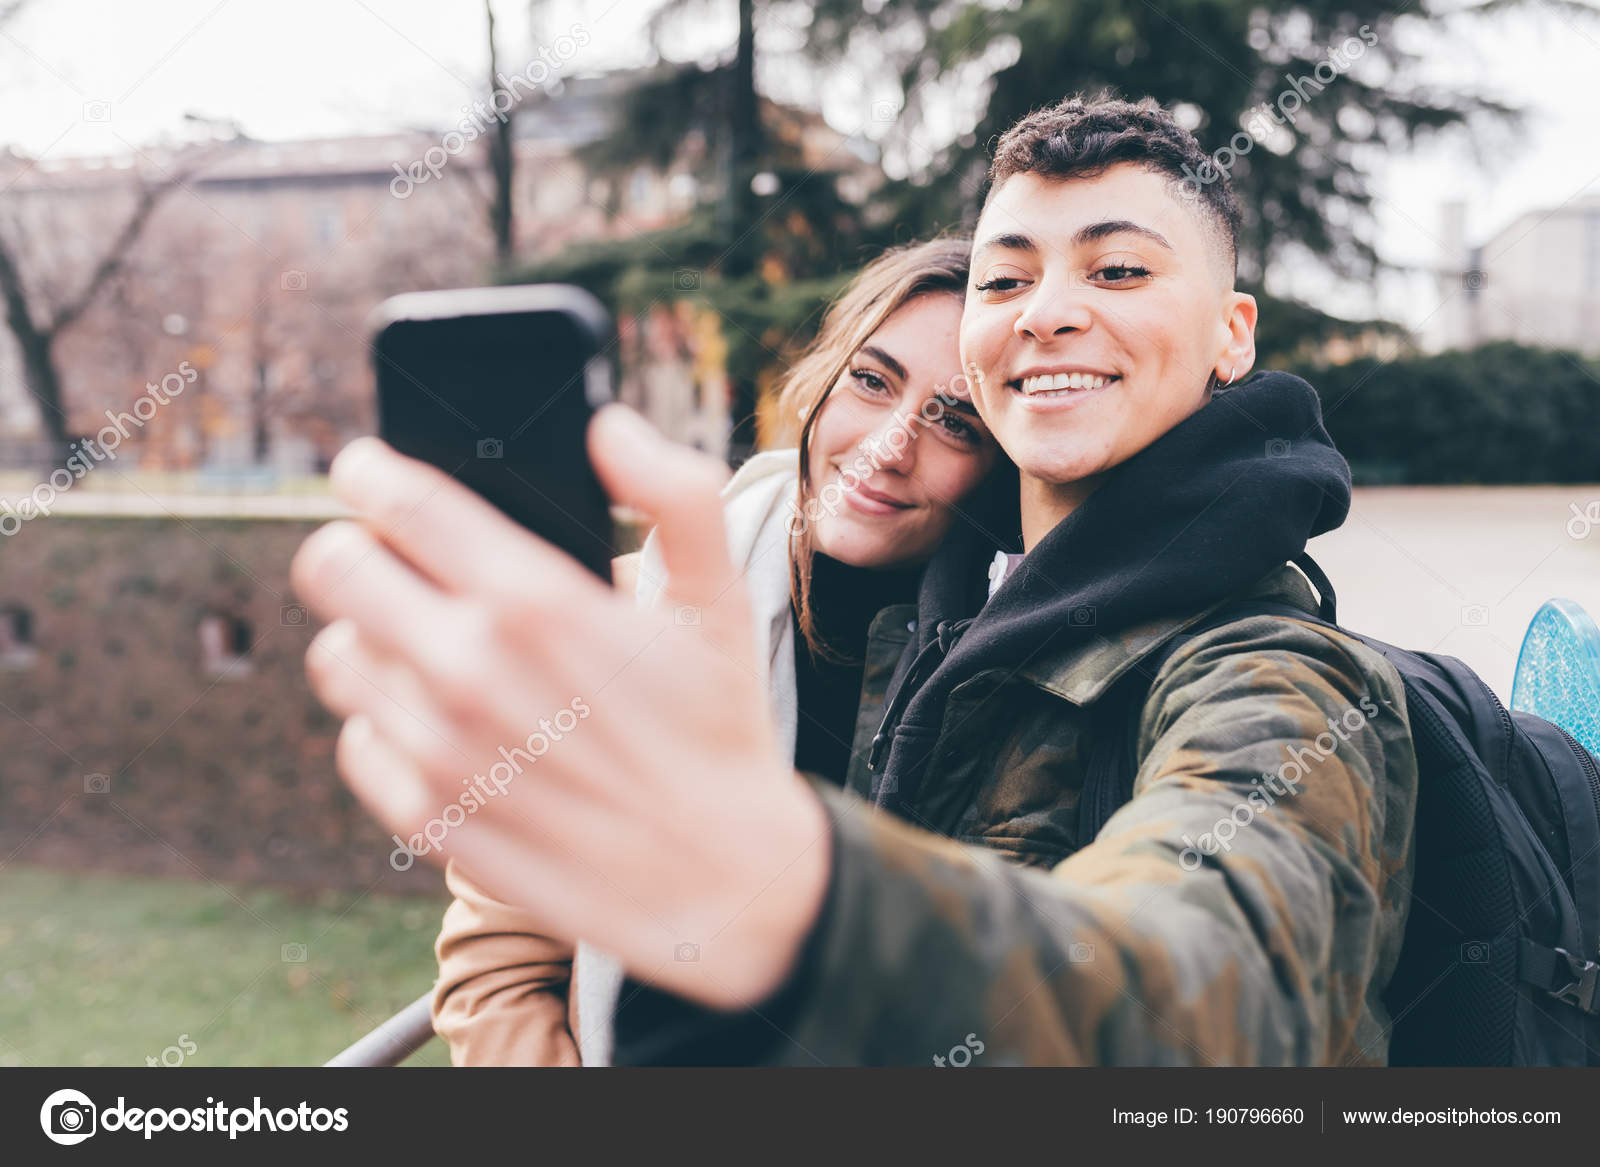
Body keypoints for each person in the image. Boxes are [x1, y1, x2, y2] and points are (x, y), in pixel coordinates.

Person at [291, 94, 1419, 1066]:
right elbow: (500, 952)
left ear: (1233, 335)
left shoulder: (1277, 669)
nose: (1047, 309)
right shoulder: (941, 621)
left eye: (1117, 269)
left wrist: (779, 886)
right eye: (1006, 277)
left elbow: (1221, 992)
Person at [423, 239, 1013, 1065]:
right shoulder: (628, 617)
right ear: (818, 379)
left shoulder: (1001, 674)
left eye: (955, 422)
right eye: (871, 381)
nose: (889, 446)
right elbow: (498, 971)